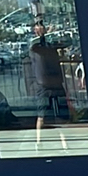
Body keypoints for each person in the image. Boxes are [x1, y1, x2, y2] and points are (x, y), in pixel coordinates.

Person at [26, 20, 68, 148]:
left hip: (56, 83)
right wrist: (45, 35)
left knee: (60, 116)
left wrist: (52, 36)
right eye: (38, 26)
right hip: (43, 85)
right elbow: (33, 45)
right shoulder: (35, 46)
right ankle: (39, 143)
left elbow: (65, 43)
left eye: (42, 26)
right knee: (42, 115)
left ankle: (65, 144)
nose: (41, 28)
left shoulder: (50, 45)